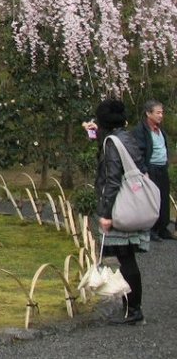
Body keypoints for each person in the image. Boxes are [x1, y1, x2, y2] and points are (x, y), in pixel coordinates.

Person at [93, 97, 149, 324]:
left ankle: (133, 310)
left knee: (126, 259)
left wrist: (106, 214)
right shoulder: (129, 138)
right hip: (135, 204)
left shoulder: (112, 142)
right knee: (128, 258)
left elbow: (112, 179)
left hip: (121, 206)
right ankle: (131, 308)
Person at [133, 99, 172, 240]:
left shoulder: (160, 130)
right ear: (149, 114)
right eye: (158, 113)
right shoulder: (140, 131)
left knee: (164, 198)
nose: (161, 115)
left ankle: (163, 228)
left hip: (162, 168)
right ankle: (151, 229)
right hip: (151, 168)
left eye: (162, 113)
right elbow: (138, 153)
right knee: (152, 199)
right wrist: (144, 171)